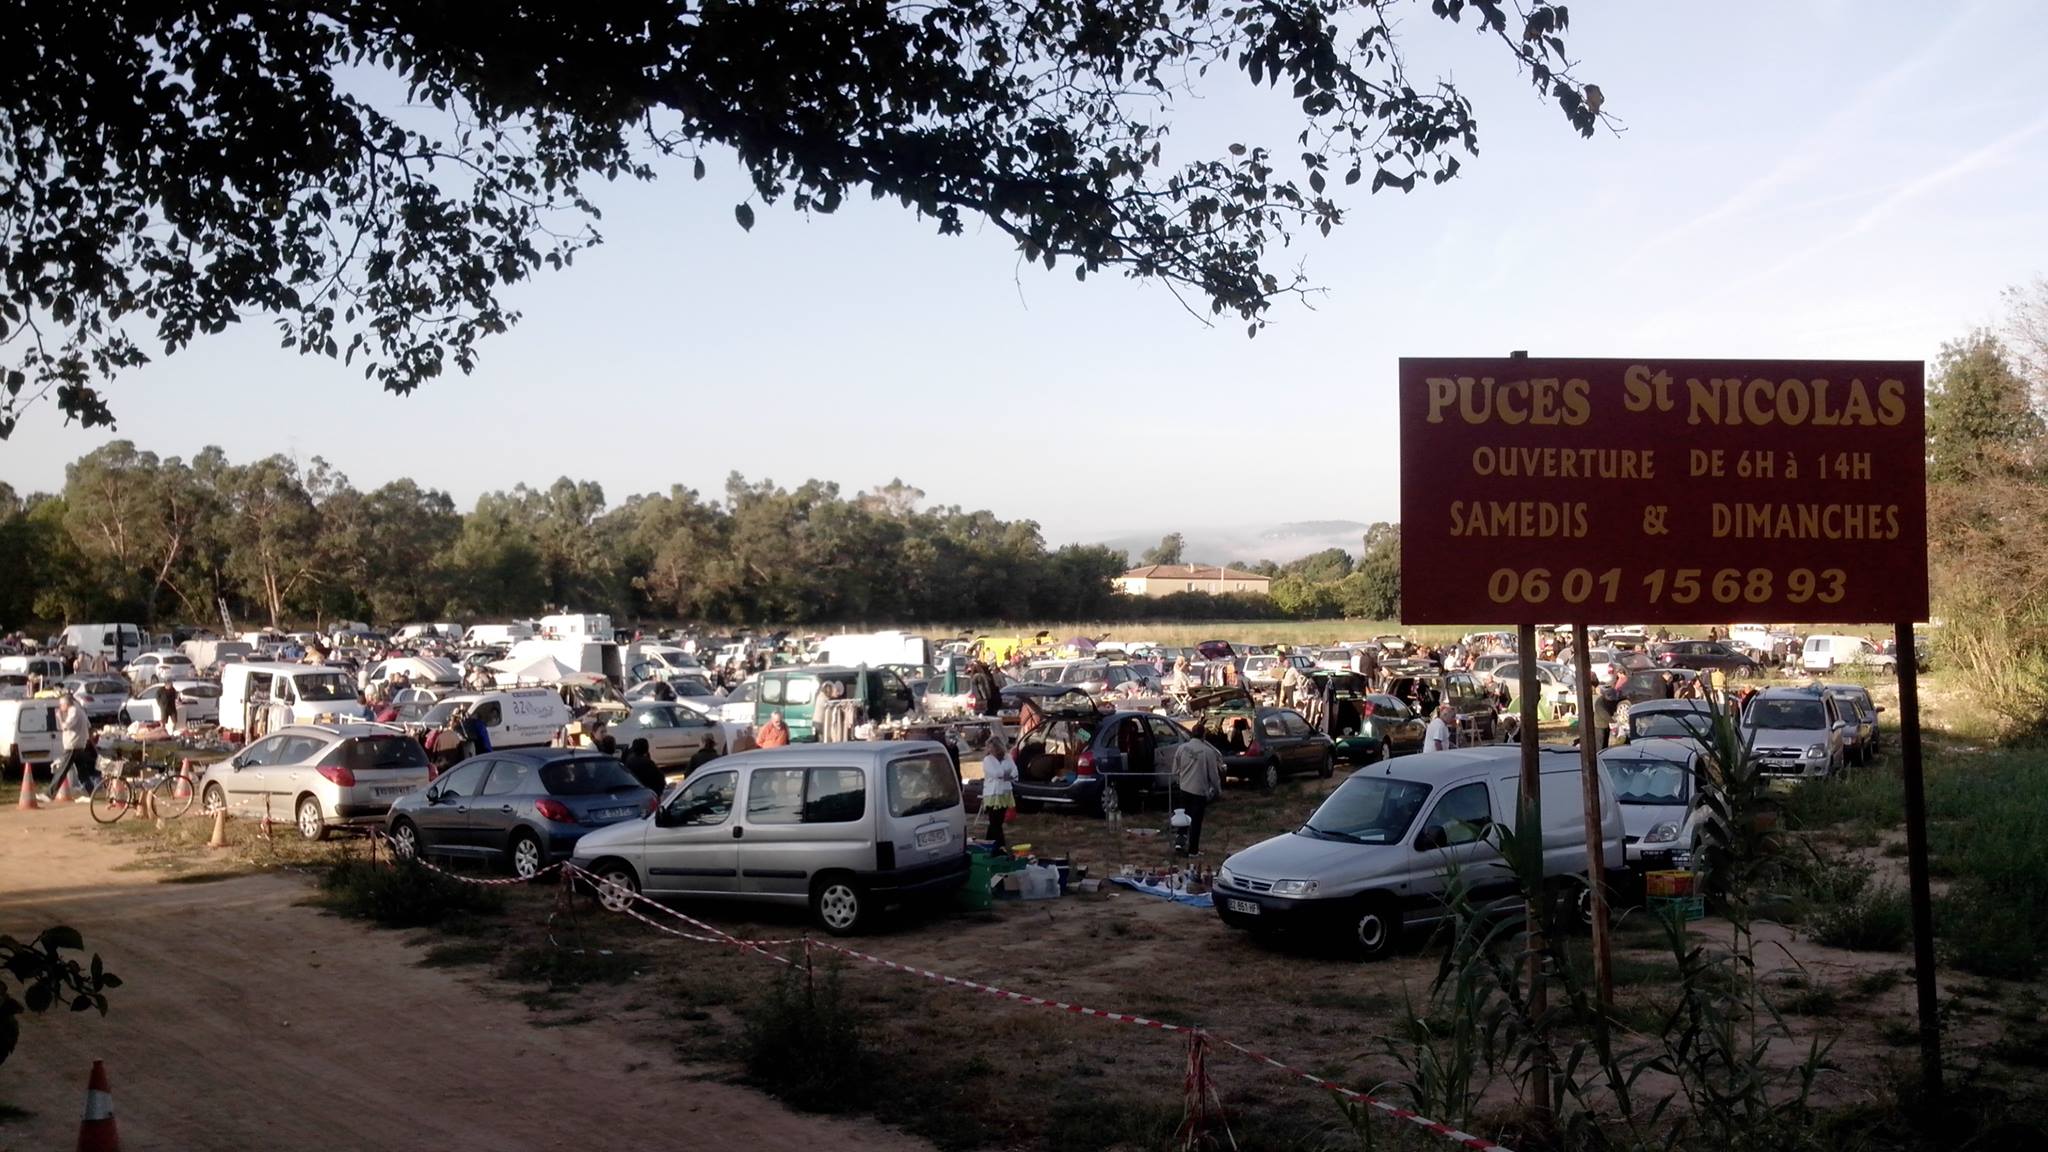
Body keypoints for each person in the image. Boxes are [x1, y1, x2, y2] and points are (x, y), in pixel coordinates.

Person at [1169, 731, 1224, 856]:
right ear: (1203, 736)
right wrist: (1217, 789)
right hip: (1199, 790)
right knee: (1196, 821)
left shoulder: (1181, 748)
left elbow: (1175, 769)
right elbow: (1213, 774)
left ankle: (1179, 842)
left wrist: (1178, 780)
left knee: (1182, 817)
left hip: (1184, 788)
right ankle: (1193, 850)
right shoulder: (1207, 751)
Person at [47, 694, 97, 800]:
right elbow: (88, 725)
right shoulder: (79, 710)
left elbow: (65, 726)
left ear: (67, 704)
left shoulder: (73, 711)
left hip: (73, 745)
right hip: (78, 745)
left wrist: (60, 717)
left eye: (61, 704)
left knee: (62, 770)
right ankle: (92, 792)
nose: (60, 707)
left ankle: (49, 793)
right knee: (82, 772)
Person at [979, 730, 1018, 851]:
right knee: (995, 821)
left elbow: (1015, 772)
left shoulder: (1007, 757)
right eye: (989, 748)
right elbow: (996, 773)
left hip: (1004, 792)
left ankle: (989, 844)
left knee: (998, 821)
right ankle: (1000, 845)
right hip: (992, 794)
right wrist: (1006, 774)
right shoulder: (988, 760)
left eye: (992, 748)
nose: (991, 750)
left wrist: (1007, 775)